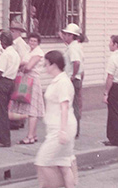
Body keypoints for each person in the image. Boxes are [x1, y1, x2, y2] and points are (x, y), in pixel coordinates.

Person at [35, 50, 77, 188]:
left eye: (46, 64)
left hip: (61, 128)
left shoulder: (62, 82)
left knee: (43, 160)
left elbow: (64, 106)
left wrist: (63, 131)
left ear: (53, 64)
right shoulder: (58, 80)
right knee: (64, 164)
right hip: (57, 127)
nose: (44, 67)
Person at [11, 32, 45, 145]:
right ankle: (33, 135)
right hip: (26, 80)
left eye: (35, 41)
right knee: (30, 109)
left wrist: (22, 66)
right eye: (31, 40)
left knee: (32, 110)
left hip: (32, 81)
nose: (32, 43)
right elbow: (23, 63)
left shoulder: (38, 52)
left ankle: (30, 136)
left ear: (38, 42)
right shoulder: (29, 51)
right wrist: (23, 64)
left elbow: (29, 67)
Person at [0, 30, 20, 148]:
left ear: (3, 42)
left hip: (3, 82)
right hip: (11, 81)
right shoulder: (15, 54)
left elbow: (0, 72)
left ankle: (4, 140)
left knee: (1, 111)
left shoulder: (5, 55)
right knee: (3, 110)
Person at [60, 23, 84, 137]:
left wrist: (73, 75)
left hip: (72, 79)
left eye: (66, 35)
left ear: (71, 36)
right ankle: (73, 129)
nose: (65, 36)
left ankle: (74, 131)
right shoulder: (74, 46)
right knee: (73, 105)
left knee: (72, 106)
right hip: (75, 79)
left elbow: (76, 62)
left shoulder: (73, 48)